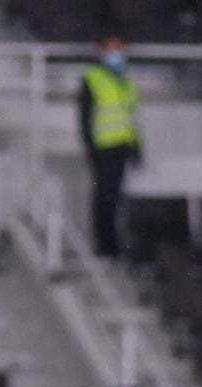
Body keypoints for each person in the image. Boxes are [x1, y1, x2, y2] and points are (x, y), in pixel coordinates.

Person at [78, 33, 141, 258]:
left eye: (120, 49)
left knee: (115, 197)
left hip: (121, 145)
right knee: (104, 197)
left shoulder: (124, 80)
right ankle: (104, 244)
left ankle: (113, 242)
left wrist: (136, 146)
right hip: (103, 147)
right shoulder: (93, 78)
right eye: (112, 50)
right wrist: (89, 146)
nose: (117, 54)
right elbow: (85, 116)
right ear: (102, 52)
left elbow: (128, 117)